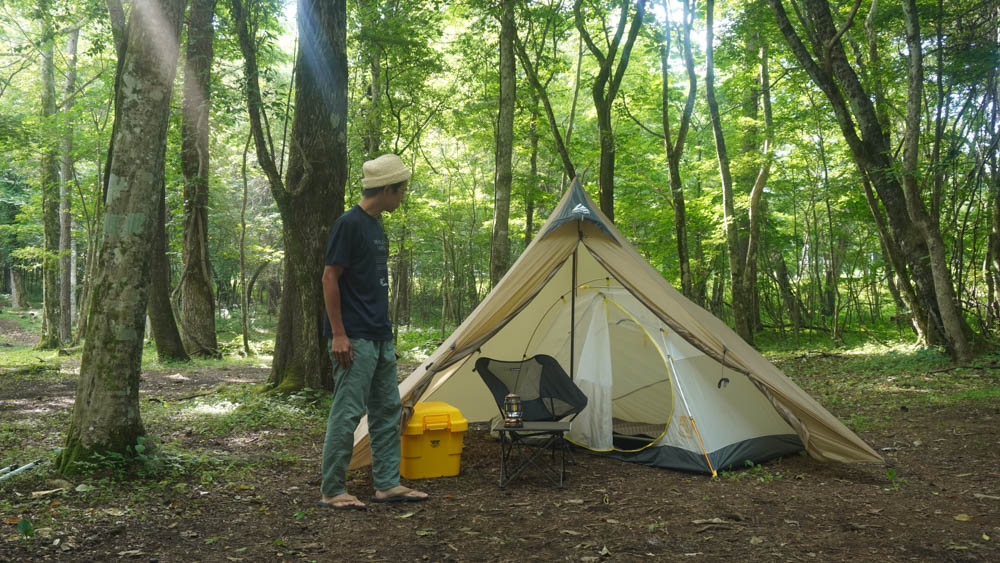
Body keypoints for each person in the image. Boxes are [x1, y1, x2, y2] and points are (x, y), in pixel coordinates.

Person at [317, 154, 428, 510]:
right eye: (402, 190)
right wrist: (338, 334)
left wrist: (387, 338)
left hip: (379, 337)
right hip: (354, 338)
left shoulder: (376, 226)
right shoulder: (348, 224)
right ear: (387, 189)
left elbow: (372, 287)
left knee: (387, 411)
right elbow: (329, 277)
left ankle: (386, 485)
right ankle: (332, 490)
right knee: (348, 413)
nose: (403, 196)